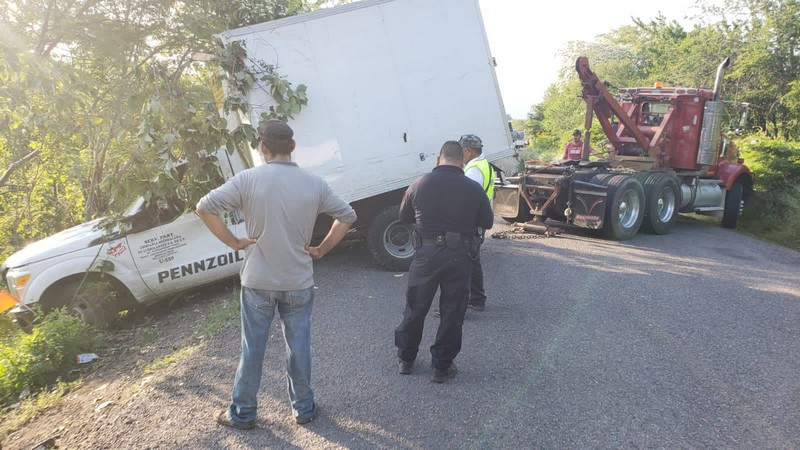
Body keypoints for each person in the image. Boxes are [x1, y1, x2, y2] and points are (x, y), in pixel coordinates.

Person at [196, 119, 357, 430]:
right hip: (298, 281)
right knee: (299, 347)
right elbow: (347, 216)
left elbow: (205, 207)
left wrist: (234, 242)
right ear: (293, 148)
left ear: (262, 148)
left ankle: (242, 413)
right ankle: (304, 409)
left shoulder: (248, 180)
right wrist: (321, 250)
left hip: (258, 281)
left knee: (252, 348)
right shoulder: (314, 183)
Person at [394, 140, 494, 383]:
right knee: (452, 311)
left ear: (438, 159)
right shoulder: (472, 188)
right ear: (462, 160)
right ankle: (442, 366)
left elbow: (404, 217)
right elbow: (488, 222)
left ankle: (406, 360)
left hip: (425, 255)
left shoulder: (418, 184)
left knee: (415, 307)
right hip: (459, 255)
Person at [460, 134, 493, 312]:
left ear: (468, 150)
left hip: (472, 222)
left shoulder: (473, 170)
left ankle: (463, 303)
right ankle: (477, 299)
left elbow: (469, 199)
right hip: (479, 221)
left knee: (465, 262)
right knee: (473, 261)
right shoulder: (484, 164)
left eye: (461, 151)